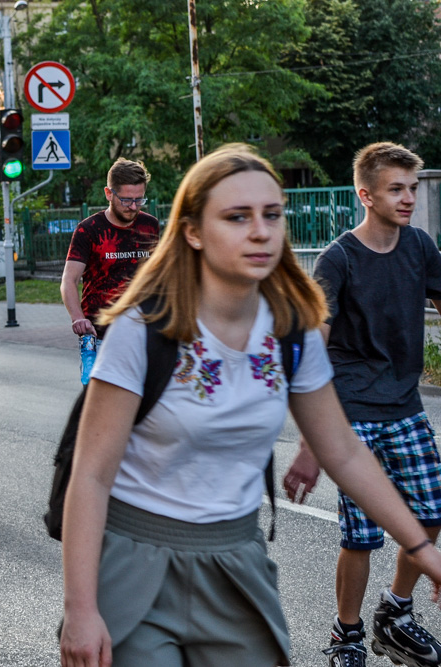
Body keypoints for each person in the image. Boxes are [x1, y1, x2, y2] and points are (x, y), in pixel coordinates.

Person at [58, 144, 441, 667]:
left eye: (271, 215)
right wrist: (81, 609)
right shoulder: (143, 329)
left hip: (239, 566)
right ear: (193, 231)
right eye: (237, 217)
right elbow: (92, 476)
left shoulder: (290, 330)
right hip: (136, 565)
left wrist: (424, 552)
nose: (260, 231)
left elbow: (346, 455)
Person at [281, 142, 441, 667]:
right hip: (351, 413)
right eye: (396, 189)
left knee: (429, 514)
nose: (408, 198)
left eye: (412, 188)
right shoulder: (339, 258)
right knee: (362, 535)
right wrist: (311, 441)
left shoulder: (420, 247)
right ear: (365, 195)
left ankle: (394, 614)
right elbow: (313, 348)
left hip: (404, 406)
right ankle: (345, 637)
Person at [60, 158, 159, 385]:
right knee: (101, 404)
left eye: (139, 200)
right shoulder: (89, 230)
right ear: (108, 193)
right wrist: (78, 318)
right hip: (100, 336)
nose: (133, 207)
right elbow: (69, 280)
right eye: (126, 200)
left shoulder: (150, 226)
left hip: (142, 333)